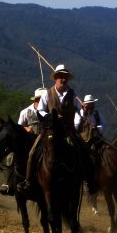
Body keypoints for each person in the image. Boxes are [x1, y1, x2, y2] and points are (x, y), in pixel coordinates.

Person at [19, 65, 98, 194]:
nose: (63, 79)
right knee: (32, 152)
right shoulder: (47, 94)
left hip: (69, 131)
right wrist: (51, 116)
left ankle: (90, 182)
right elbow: (40, 111)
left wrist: (84, 110)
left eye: (65, 77)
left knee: (85, 151)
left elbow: (81, 112)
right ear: (55, 78)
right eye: (60, 76)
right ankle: (28, 181)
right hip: (51, 130)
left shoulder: (73, 94)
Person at [0, 88, 46, 195]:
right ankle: (7, 184)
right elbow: (18, 128)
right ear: (36, 100)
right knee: (11, 156)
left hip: (45, 141)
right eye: (42, 99)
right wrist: (26, 128)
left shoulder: (49, 111)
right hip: (29, 141)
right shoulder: (25, 111)